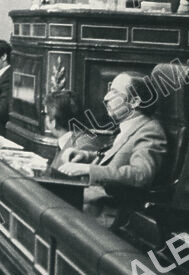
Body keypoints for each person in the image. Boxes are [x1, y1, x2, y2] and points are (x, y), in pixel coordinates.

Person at [57, 73, 168, 225]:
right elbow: (117, 156)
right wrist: (85, 155)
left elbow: (141, 174)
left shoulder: (150, 131)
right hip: (92, 201)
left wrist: (88, 169)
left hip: (109, 213)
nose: (106, 98)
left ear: (134, 102)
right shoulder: (128, 127)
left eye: (114, 92)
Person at [44, 90, 100, 173]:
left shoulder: (82, 146)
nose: (44, 118)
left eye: (45, 114)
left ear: (53, 122)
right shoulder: (78, 137)